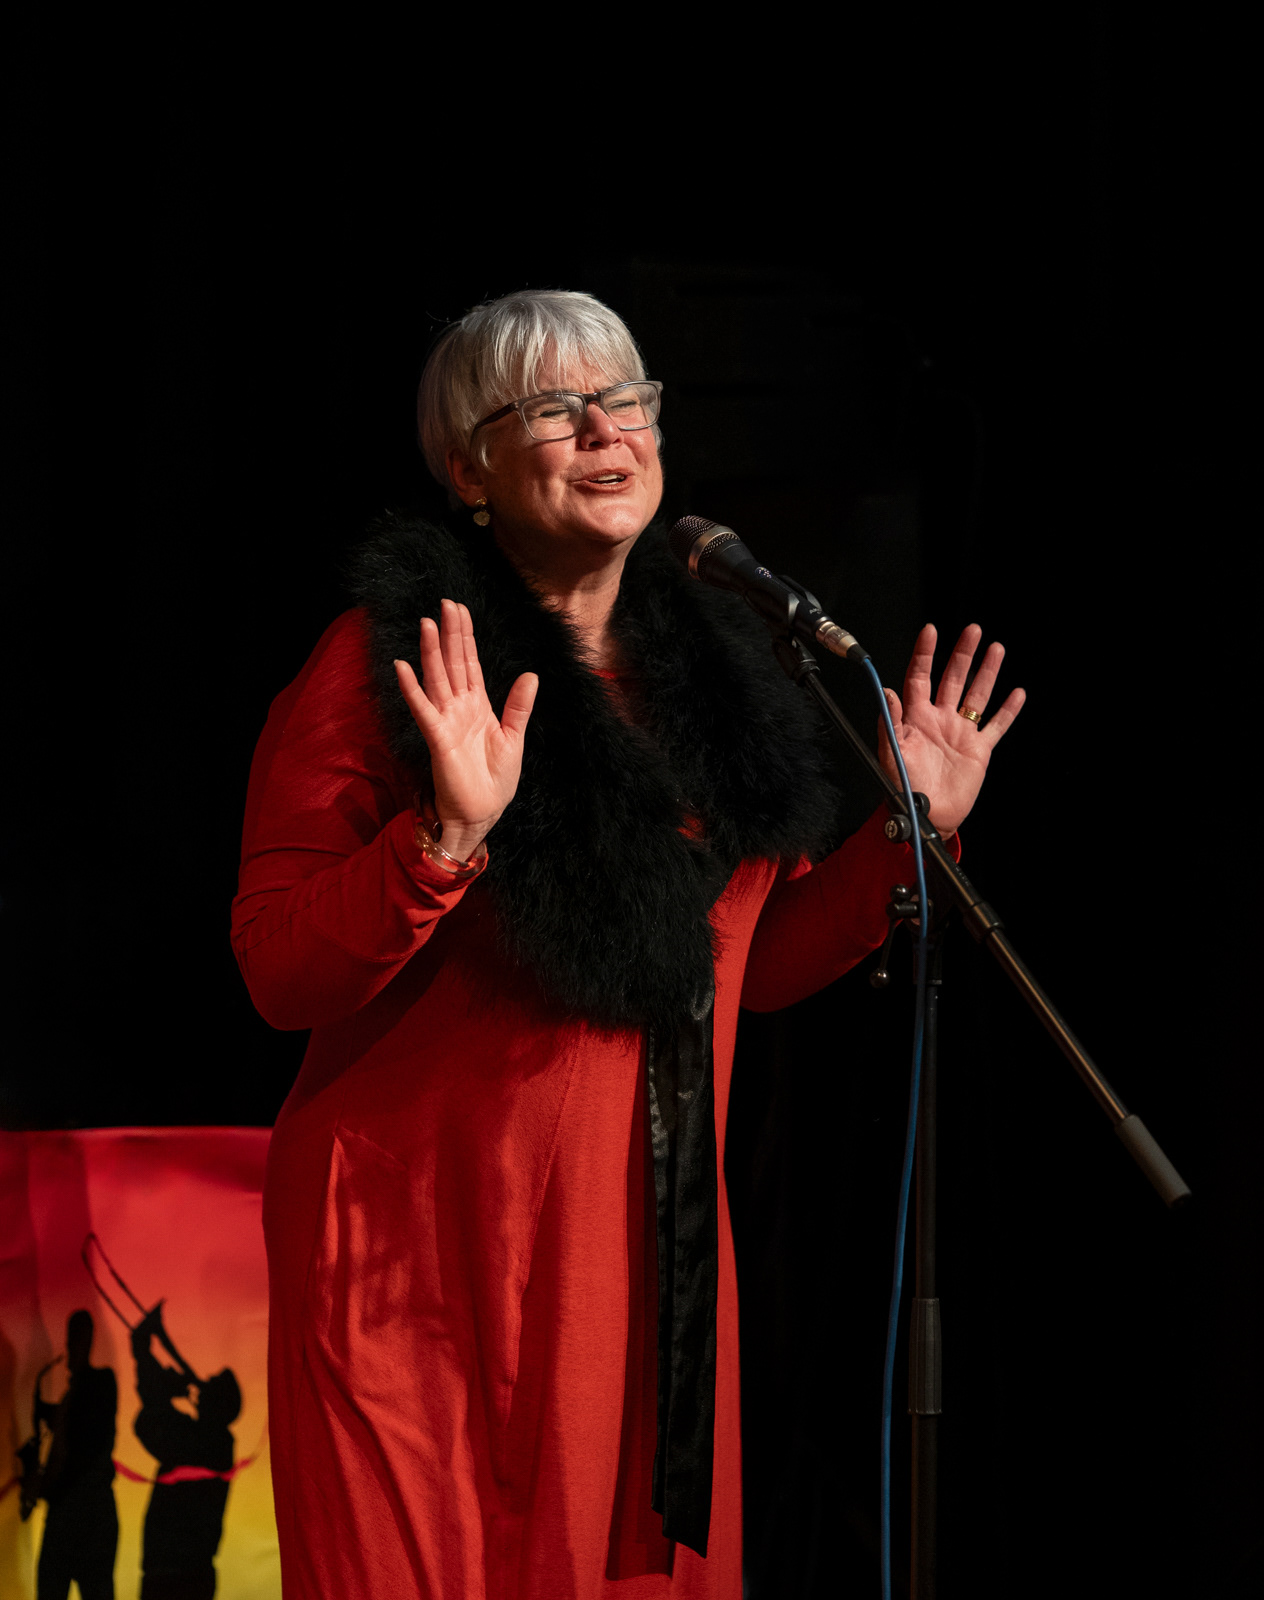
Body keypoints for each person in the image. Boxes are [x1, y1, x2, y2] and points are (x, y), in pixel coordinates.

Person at [231, 289, 1024, 1599]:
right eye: (555, 408)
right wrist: (441, 836)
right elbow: (276, 968)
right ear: (469, 471)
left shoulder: (715, 686)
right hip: (418, 1267)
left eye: (627, 399)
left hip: (635, 1272)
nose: (607, 429)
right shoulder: (392, 665)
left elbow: (749, 967)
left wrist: (909, 830)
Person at [130, 1306, 241, 1600]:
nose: (201, 1385)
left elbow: (148, 1423)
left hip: (175, 1576)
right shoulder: (216, 1442)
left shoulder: (210, 1442)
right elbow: (154, 1419)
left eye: (209, 1385)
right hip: (182, 1574)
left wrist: (147, 1361)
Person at [31, 1310, 118, 1600]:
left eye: (74, 1341)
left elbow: (76, 1434)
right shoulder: (95, 1387)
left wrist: (44, 1485)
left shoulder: (97, 1385)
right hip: (90, 1513)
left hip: (76, 1512)